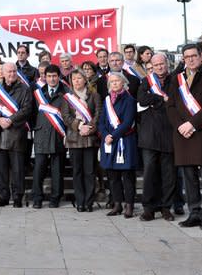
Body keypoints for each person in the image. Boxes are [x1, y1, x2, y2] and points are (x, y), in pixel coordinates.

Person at [166, 43, 202, 231]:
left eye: (193, 55)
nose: (190, 59)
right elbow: (171, 106)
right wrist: (181, 126)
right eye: (186, 56)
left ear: (201, 57)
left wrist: (192, 124)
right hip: (183, 133)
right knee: (188, 175)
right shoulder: (176, 79)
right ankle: (195, 212)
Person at [0, 62, 32, 207]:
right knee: (0, 169)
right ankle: (3, 195)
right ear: (3, 73)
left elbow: (27, 108)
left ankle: (18, 196)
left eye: (14, 71)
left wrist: (11, 120)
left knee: (17, 168)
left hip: (16, 133)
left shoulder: (24, 89)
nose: (12, 74)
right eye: (9, 72)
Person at [136, 54, 176, 221]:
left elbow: (175, 100)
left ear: (167, 64)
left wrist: (156, 102)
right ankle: (149, 208)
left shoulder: (174, 80)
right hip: (150, 134)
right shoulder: (146, 81)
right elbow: (142, 99)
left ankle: (166, 207)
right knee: (150, 172)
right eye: (156, 65)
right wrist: (161, 99)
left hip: (169, 133)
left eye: (162, 64)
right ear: (150, 66)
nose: (159, 67)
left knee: (168, 174)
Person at [99, 72, 139, 218]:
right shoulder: (107, 100)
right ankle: (117, 205)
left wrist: (113, 136)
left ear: (123, 83)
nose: (114, 84)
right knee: (112, 176)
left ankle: (129, 206)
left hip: (125, 142)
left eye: (117, 81)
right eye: (112, 82)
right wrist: (105, 135)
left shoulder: (130, 100)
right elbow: (102, 121)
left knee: (127, 176)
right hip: (109, 142)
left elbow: (128, 123)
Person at [61, 68, 99, 212]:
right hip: (74, 138)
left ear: (85, 79)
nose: (77, 81)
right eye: (74, 79)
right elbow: (66, 116)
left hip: (90, 138)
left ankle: (89, 202)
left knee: (89, 172)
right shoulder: (67, 97)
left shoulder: (94, 96)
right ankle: (80, 201)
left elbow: (98, 114)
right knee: (77, 172)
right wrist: (80, 126)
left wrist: (89, 128)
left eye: (79, 78)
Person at [31, 64, 67, 209]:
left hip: (58, 134)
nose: (52, 79)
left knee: (57, 170)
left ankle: (55, 198)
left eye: (54, 76)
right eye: (49, 76)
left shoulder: (66, 93)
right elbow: (32, 113)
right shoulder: (38, 93)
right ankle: (37, 198)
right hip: (41, 134)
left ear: (59, 77)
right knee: (39, 168)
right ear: (44, 77)